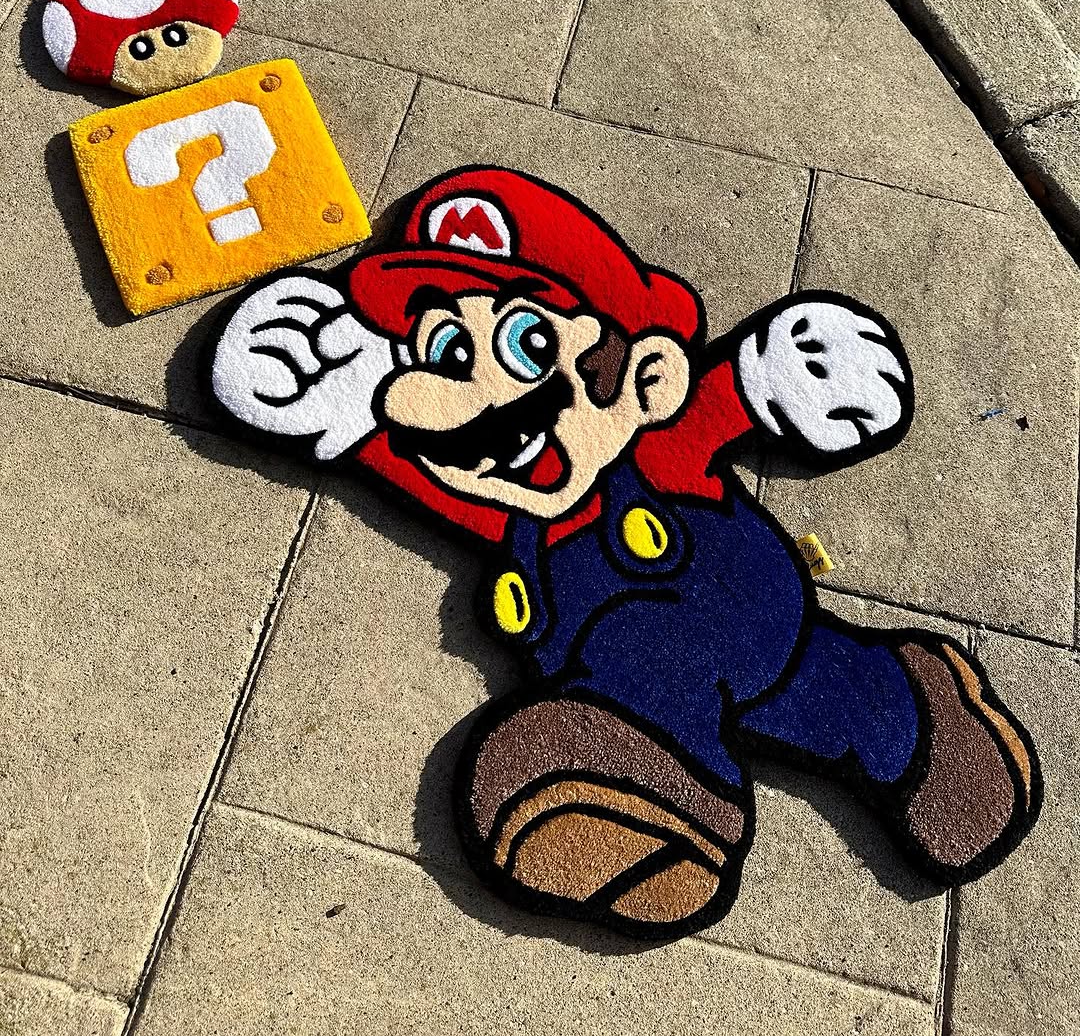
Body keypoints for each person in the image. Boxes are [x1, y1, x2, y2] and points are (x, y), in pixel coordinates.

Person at [207, 166, 1040, 938]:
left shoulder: (656, 443)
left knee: (837, 699)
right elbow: (401, 451)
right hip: (620, 686)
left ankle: (922, 723)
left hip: (748, 621)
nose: (482, 395)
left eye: (528, 344)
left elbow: (718, 405)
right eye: (448, 355)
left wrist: (769, 372)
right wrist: (327, 397)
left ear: (646, 374)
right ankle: (645, 796)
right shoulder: (497, 502)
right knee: (717, 716)